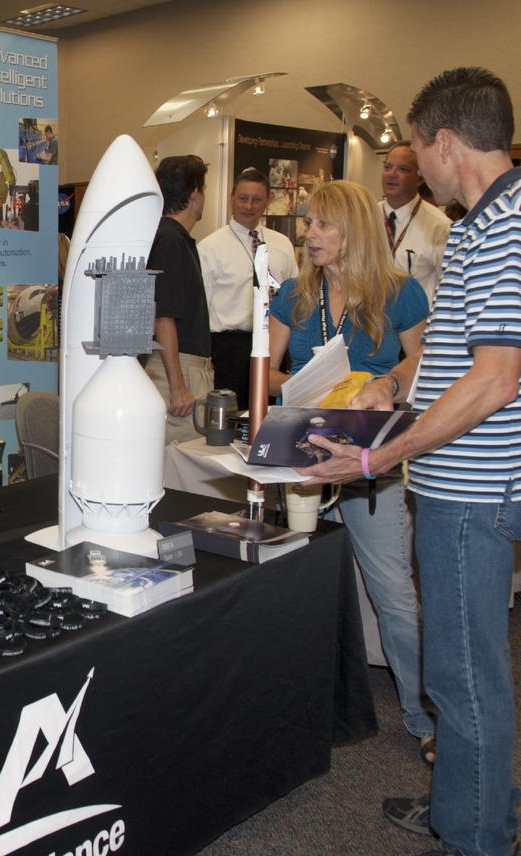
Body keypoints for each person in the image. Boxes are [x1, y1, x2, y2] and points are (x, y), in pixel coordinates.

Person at [299, 68, 521, 856]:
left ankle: (474, 836)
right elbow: (450, 359)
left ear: (447, 144)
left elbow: (495, 379)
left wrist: (377, 458)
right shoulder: (483, 225)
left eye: (417, 151)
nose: (414, 168)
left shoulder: (503, 228)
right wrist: (393, 384)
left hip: (472, 491)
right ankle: (475, 807)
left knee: (463, 674)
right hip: (462, 484)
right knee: (470, 669)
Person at [267, 179, 433, 763]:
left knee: (393, 593)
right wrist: (304, 384)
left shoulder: (400, 293)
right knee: (290, 586)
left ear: (354, 230)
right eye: (308, 223)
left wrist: (382, 382)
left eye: (322, 224)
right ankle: (289, 703)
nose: (309, 233)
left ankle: (423, 716)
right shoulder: (294, 295)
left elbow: (424, 360)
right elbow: (266, 373)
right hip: (302, 456)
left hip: (370, 464)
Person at [198, 167, 298, 410]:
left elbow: (296, 296)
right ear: (232, 198)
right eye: (243, 198)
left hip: (276, 344)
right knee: (234, 418)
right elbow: (200, 309)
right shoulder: (210, 247)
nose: (249, 206)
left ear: (267, 201)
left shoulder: (282, 243)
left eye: (256, 199)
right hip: (230, 349)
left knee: (272, 415)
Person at [145, 154, 212, 444]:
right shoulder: (171, 241)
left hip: (182, 366)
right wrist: (177, 386)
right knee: (180, 457)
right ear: (195, 195)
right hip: (175, 369)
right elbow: (163, 317)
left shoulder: (169, 238)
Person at [380, 142, 451, 307]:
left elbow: (449, 290)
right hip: (367, 318)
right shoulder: (366, 217)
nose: (391, 174)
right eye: (388, 167)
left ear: (420, 178)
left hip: (416, 320)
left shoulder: (440, 227)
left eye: (402, 169)